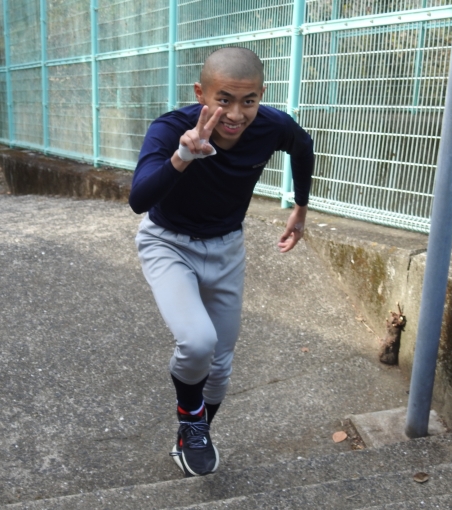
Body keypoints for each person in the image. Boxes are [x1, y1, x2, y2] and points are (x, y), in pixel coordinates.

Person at [128, 47, 314, 477]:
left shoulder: (271, 125)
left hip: (227, 247)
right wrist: (183, 157)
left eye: (249, 100)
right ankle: (191, 421)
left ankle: (195, 433)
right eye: (223, 99)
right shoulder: (170, 129)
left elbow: (302, 145)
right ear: (201, 93)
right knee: (198, 343)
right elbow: (139, 199)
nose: (235, 114)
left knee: (221, 367)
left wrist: (301, 207)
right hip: (168, 243)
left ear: (261, 95)